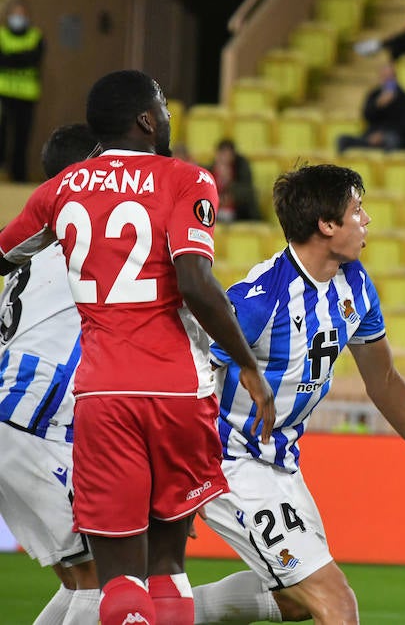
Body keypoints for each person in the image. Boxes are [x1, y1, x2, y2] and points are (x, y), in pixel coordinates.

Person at [0, 70, 275, 625]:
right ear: (147, 120)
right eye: (164, 107)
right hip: (178, 390)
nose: (169, 116)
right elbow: (196, 281)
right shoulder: (187, 179)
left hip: (102, 395)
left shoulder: (60, 190)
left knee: (117, 581)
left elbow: (7, 253)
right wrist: (247, 363)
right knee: (168, 566)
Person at [194, 164, 405, 625]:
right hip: (227, 461)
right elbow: (188, 380)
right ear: (327, 226)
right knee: (337, 603)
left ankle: (164, 610)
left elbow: (384, 382)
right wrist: (181, 479)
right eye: (357, 210)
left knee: (294, 602)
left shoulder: (356, 284)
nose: (366, 219)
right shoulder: (258, 300)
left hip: (281, 460)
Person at [0, 124, 101, 625]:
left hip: (20, 420)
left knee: (81, 575)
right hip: (32, 422)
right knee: (104, 576)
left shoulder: (34, 253)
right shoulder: (81, 244)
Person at [0, 0, 43, 181]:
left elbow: (33, 59)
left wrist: (11, 58)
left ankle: (19, 175)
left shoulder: (35, 36)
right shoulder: (2, 34)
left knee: (22, 138)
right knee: (2, 135)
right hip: (4, 94)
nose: (18, 17)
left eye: (21, 14)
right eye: (15, 13)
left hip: (27, 95)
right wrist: (21, 58)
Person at [336, 63, 405, 153]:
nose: (387, 80)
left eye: (390, 77)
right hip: (371, 135)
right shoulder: (374, 95)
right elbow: (366, 116)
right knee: (342, 140)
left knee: (392, 140)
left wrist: (382, 135)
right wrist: (377, 105)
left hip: (393, 137)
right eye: (384, 77)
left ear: (395, 78)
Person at [209, 139, 258, 222]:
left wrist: (230, 185)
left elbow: (247, 192)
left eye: (228, 154)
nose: (225, 158)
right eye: (222, 154)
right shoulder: (209, 171)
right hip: (214, 214)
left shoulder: (241, 170)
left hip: (238, 215)